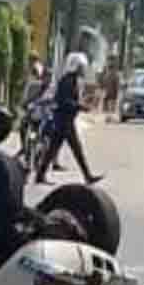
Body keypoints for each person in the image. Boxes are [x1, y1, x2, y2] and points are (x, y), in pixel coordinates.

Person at [33, 39, 104, 186]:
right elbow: (63, 100)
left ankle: (41, 175)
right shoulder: (67, 81)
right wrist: (80, 106)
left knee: (55, 149)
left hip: (65, 120)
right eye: (81, 67)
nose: (83, 70)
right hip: (63, 120)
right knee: (72, 150)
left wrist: (80, 105)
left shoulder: (72, 80)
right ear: (75, 66)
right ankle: (87, 176)